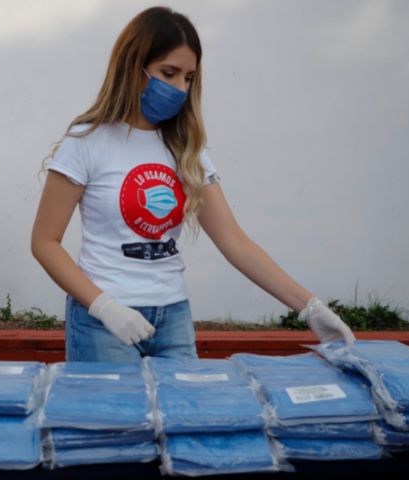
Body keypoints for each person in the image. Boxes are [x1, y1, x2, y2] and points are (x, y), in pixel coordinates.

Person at [30, 7, 354, 363]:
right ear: (134, 67)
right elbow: (45, 243)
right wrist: (103, 306)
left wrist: (310, 307)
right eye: (168, 73)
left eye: (188, 77)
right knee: (117, 405)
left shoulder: (186, 148)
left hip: (173, 319)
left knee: (181, 403)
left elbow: (235, 243)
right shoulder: (87, 141)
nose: (180, 88)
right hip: (103, 324)